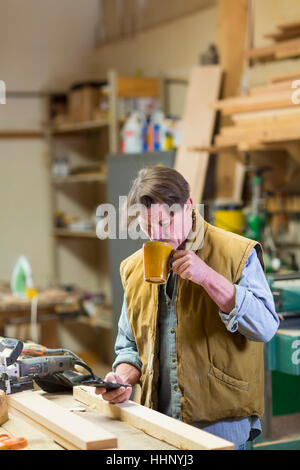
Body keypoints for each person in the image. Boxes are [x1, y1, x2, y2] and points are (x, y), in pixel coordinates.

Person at [96, 166, 279, 450]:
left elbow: (266, 327)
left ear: (188, 207)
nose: (157, 235)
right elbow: (130, 347)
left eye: (164, 223)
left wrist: (208, 278)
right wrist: (121, 379)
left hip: (220, 430)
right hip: (158, 427)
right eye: (147, 227)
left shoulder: (236, 253)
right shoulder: (133, 269)